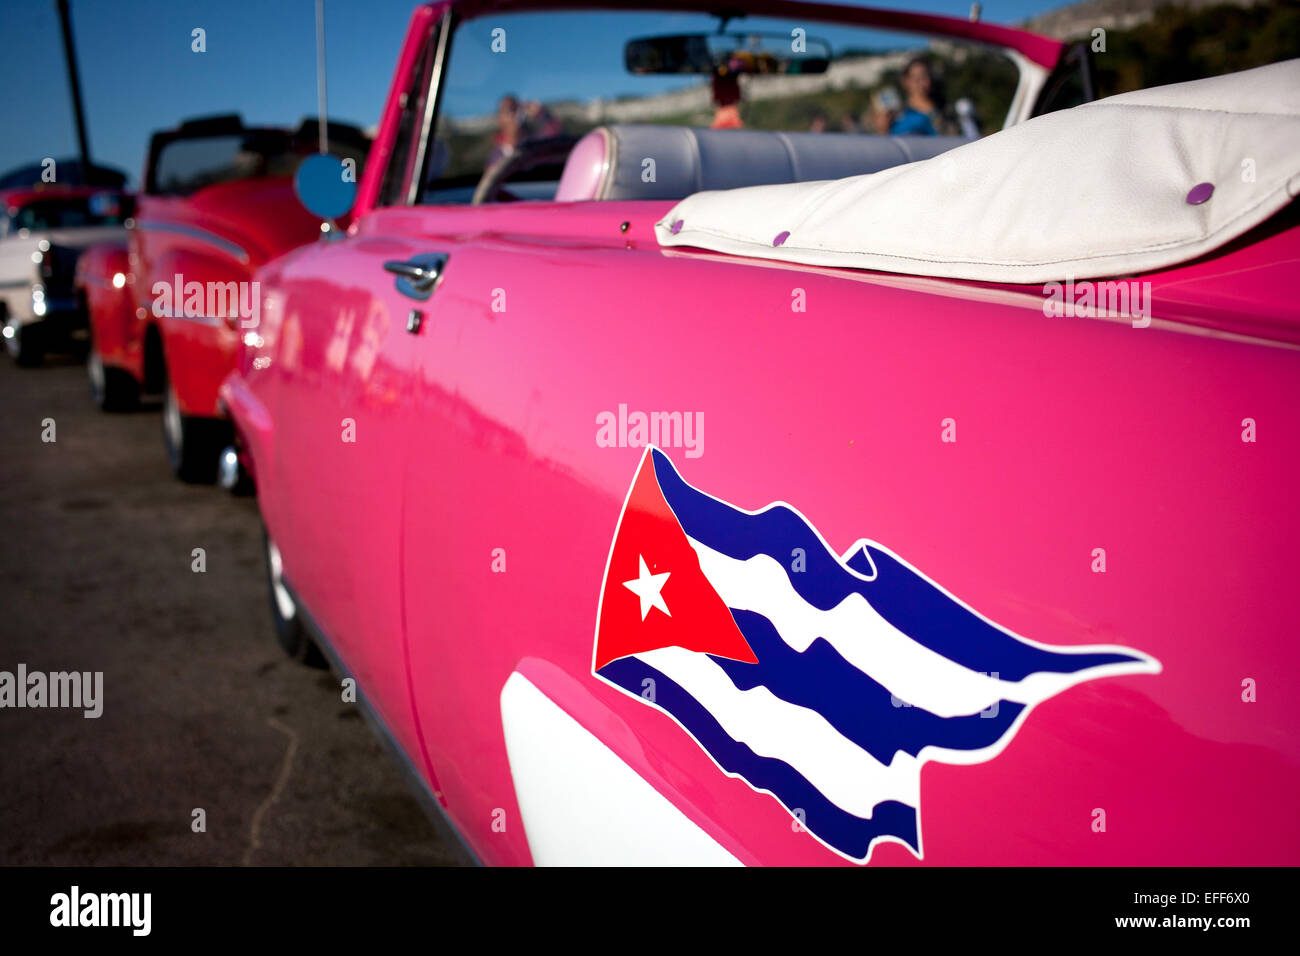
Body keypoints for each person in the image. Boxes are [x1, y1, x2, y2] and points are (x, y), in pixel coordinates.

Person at [889, 58, 943, 136]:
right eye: (917, 78)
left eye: (926, 77)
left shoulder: (946, 110)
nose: (922, 83)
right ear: (905, 81)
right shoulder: (896, 114)